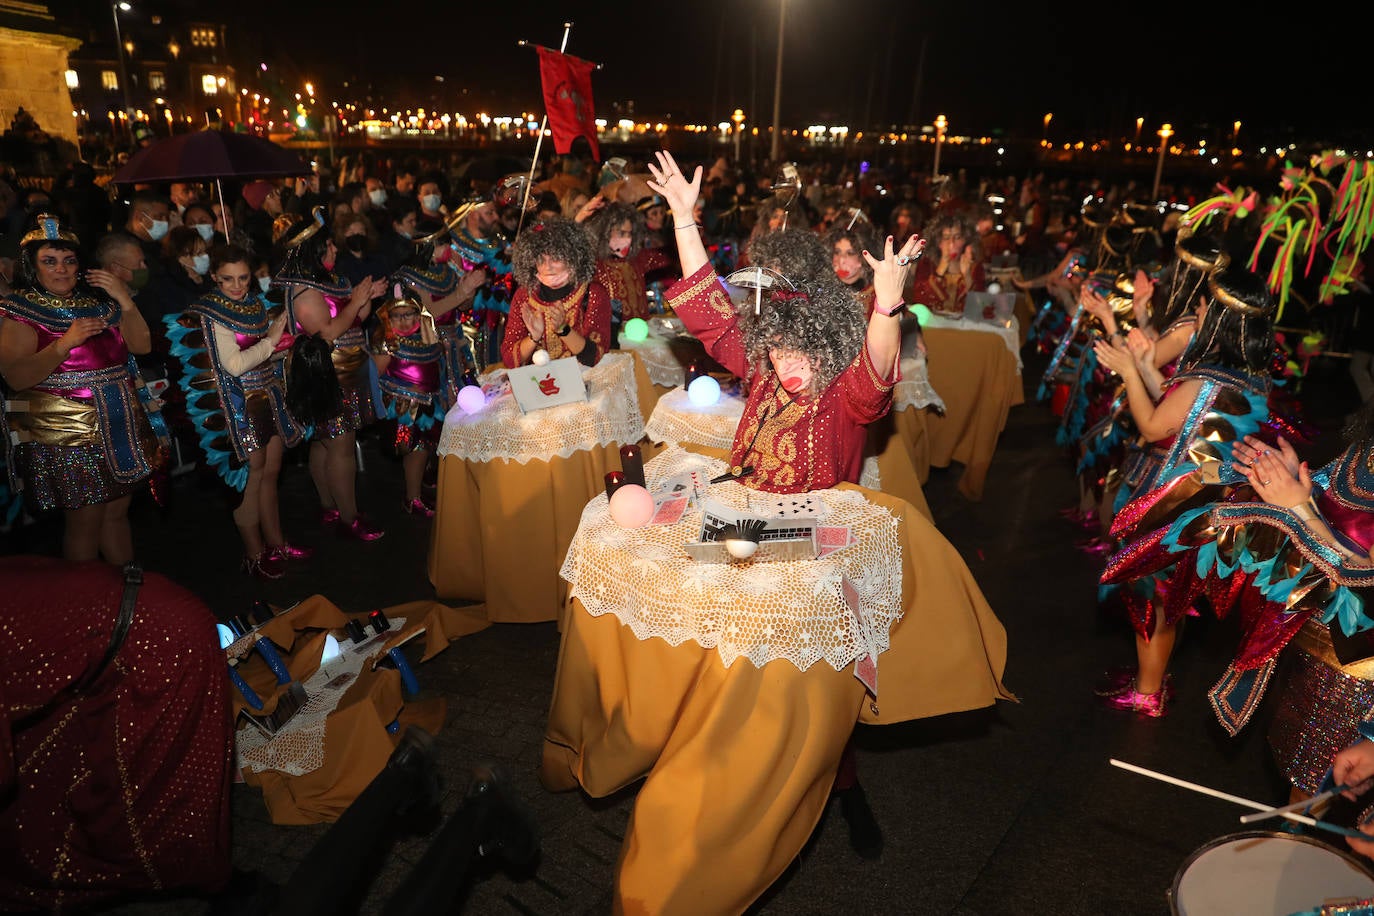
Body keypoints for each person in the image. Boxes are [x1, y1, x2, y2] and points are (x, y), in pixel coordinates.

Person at [647, 149, 924, 858]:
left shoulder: (841, 388)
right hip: (746, 529)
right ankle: (720, 769)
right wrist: (684, 220)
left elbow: (877, 375)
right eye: (774, 357)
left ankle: (845, 787)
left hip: (816, 544)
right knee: (725, 662)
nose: (785, 369)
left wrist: (886, 305)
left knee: (813, 690)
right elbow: (711, 312)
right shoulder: (765, 356)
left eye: (801, 358)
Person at [1095, 260, 1277, 716]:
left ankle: (1148, 694)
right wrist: (1142, 364)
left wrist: (1130, 373)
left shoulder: (1208, 379)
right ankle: (1150, 680)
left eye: (1205, 303)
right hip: (1208, 505)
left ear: (1218, 318)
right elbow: (1185, 412)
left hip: (1179, 508)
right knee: (1165, 602)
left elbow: (1155, 424)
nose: (1196, 305)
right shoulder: (1250, 378)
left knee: (1151, 602)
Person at [0, 556, 233, 911]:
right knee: (50, 766)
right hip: (127, 635)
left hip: (163, 639)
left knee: (159, 801)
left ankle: (218, 887)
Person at [0, 215, 164, 563]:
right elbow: (15, 378)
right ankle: (84, 608)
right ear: (33, 266)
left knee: (117, 515)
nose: (61, 269)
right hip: (70, 436)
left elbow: (142, 346)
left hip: (120, 426)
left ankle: (124, 596)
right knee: (84, 524)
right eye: (49, 261)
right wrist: (64, 343)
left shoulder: (101, 304)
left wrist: (124, 299)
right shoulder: (19, 311)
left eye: (68, 260)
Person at [164, 244, 308, 578]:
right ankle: (254, 554)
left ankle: (276, 542)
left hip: (268, 395)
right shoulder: (211, 312)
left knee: (272, 470)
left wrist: (282, 350)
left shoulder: (257, 304)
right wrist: (272, 341)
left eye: (243, 277)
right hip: (238, 404)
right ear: (213, 276)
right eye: (227, 278)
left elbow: (262, 354)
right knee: (252, 477)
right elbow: (233, 365)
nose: (237, 285)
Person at [274, 207, 388, 540]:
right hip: (328, 374)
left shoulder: (330, 278)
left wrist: (367, 297)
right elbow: (325, 334)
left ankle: (331, 506)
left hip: (348, 367)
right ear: (313, 250)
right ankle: (349, 517)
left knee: (325, 444)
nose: (336, 250)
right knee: (339, 445)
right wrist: (355, 303)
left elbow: (356, 318)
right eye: (330, 246)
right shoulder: (303, 289)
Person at [500, 216, 610, 369]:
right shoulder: (524, 296)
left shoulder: (593, 293)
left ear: (574, 259)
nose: (547, 267)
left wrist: (563, 330)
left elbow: (595, 356)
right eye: (540, 259)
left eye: (556, 259)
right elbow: (509, 361)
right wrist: (533, 337)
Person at [908, 211, 986, 319]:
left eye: (957, 237)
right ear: (937, 241)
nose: (951, 243)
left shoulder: (976, 268)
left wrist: (967, 276)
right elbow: (920, 301)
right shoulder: (926, 265)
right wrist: (940, 271)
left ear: (965, 240)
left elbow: (980, 308)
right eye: (946, 237)